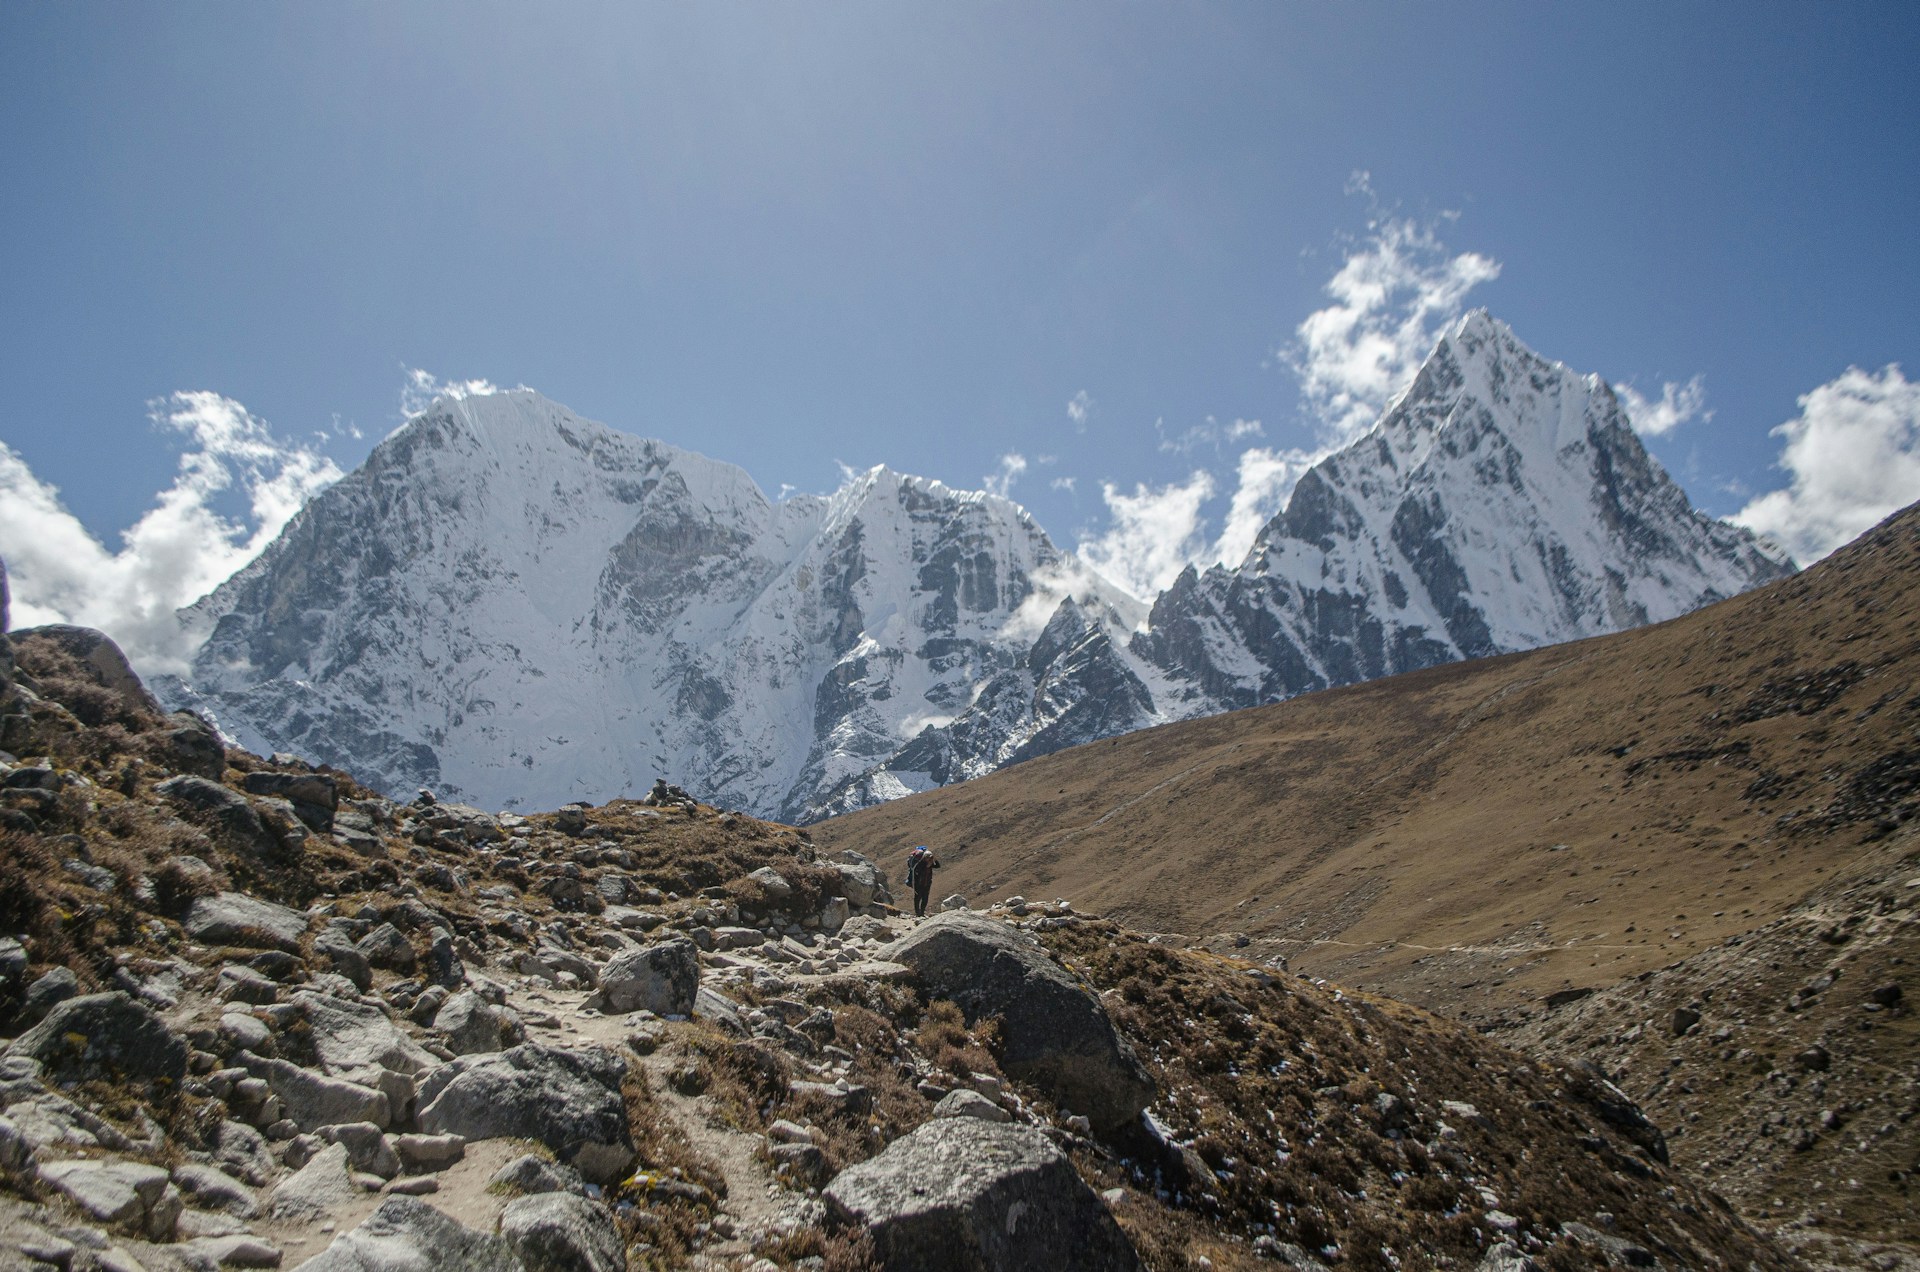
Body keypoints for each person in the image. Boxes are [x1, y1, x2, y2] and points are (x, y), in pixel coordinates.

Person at [905, 844, 941, 918]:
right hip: (918, 884)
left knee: (925, 898)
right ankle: (917, 913)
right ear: (925, 858)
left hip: (927, 884)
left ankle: (922, 912)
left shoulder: (930, 863)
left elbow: (938, 866)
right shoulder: (920, 864)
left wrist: (934, 859)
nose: (929, 860)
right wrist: (927, 866)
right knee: (917, 898)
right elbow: (918, 872)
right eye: (928, 858)